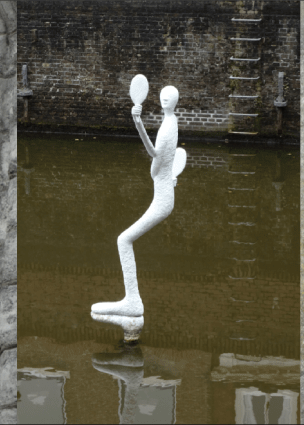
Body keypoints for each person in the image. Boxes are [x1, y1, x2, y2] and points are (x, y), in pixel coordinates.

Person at [91, 85, 186, 339]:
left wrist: (138, 123)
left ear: (174, 101)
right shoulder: (172, 122)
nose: (164, 99)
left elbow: (155, 156)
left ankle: (133, 301)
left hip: (162, 201)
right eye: (163, 96)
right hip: (165, 195)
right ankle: (131, 301)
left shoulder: (167, 128)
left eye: (168, 97)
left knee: (123, 240)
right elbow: (163, 163)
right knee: (125, 240)